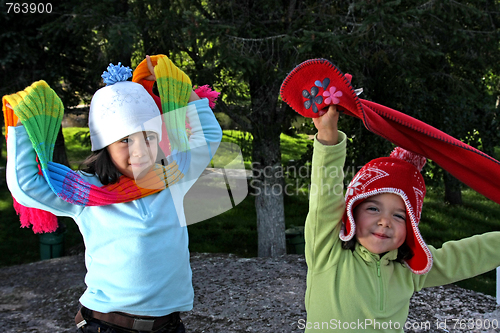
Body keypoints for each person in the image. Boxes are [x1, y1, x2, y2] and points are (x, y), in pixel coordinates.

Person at [6, 55, 223, 333]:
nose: (140, 150)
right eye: (124, 140)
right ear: (104, 146)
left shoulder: (173, 177)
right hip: (106, 326)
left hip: (168, 326)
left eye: (149, 136)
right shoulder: (86, 192)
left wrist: (182, 88)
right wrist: (21, 124)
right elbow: (27, 186)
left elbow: (207, 136)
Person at [303, 104, 500, 332]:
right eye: (373, 209)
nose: (385, 221)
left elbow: (466, 256)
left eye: (399, 215)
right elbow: (324, 198)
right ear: (352, 212)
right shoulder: (326, 253)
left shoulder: (410, 269)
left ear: (411, 228)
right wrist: (328, 136)